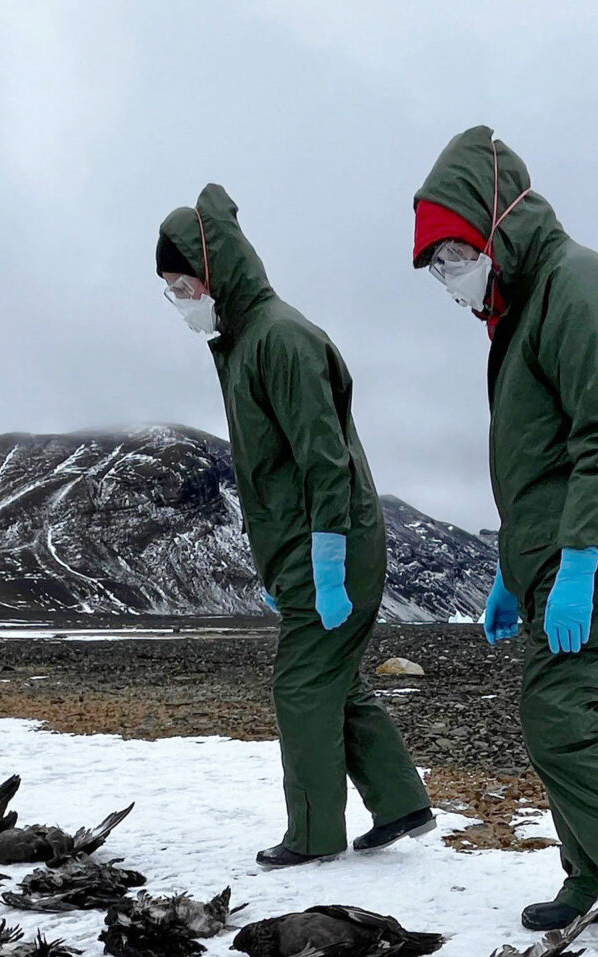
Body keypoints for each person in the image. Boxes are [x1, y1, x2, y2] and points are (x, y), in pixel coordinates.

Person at [411, 127, 598, 941]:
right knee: (566, 714)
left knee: (563, 712)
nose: (448, 276)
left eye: (454, 253)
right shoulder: (524, 305)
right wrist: (515, 571)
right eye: (435, 264)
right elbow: (537, 466)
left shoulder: (579, 288)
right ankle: (595, 874)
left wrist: (579, 562)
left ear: (496, 227)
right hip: (564, 550)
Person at [157, 185, 434, 868]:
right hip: (307, 548)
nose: (180, 301)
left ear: (215, 272)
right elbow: (274, 473)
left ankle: (312, 835)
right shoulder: (247, 342)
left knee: (303, 684)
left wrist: (328, 559)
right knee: (332, 676)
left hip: (332, 541)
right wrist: (280, 567)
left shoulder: (279, 339)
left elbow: (322, 457)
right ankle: (401, 803)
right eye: (170, 291)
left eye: (184, 286)